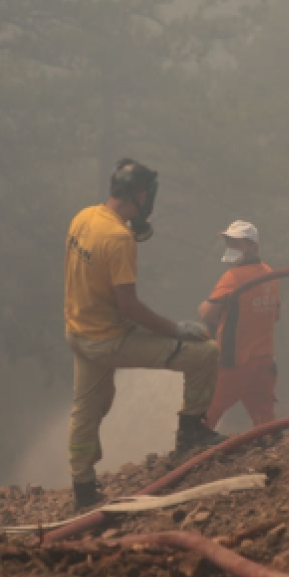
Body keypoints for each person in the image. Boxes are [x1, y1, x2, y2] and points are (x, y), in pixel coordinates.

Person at [63, 158, 224, 510]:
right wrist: (175, 329)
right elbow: (129, 307)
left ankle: (84, 491)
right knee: (205, 353)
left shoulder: (84, 217)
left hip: (80, 333)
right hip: (110, 339)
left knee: (86, 411)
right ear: (139, 195)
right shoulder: (119, 239)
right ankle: (191, 431)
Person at [197, 221, 281, 430]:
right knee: (265, 422)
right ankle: (270, 457)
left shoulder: (233, 277)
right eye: (229, 243)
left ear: (252, 247)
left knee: (205, 417)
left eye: (237, 243)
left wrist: (203, 308)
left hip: (235, 362)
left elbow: (207, 314)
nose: (231, 248)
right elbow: (276, 315)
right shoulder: (270, 274)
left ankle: (191, 457)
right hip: (264, 361)